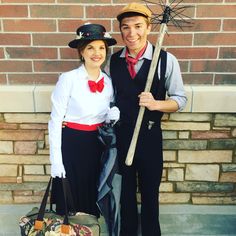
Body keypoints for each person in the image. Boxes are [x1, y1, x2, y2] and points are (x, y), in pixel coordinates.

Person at [105, 3, 187, 236]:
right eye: (126, 27)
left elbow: (180, 99)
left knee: (150, 196)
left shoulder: (165, 60)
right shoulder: (114, 61)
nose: (132, 33)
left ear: (149, 27)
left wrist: (156, 104)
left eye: (138, 26)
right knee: (125, 196)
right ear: (120, 30)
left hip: (150, 138)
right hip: (122, 139)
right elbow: (109, 99)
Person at [48, 23, 119, 218]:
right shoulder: (68, 79)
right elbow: (55, 121)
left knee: (91, 197)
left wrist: (112, 116)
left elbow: (102, 115)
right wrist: (56, 161)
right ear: (81, 52)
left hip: (96, 145)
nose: (97, 53)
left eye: (101, 48)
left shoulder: (108, 82)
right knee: (70, 202)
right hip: (72, 144)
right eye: (90, 47)